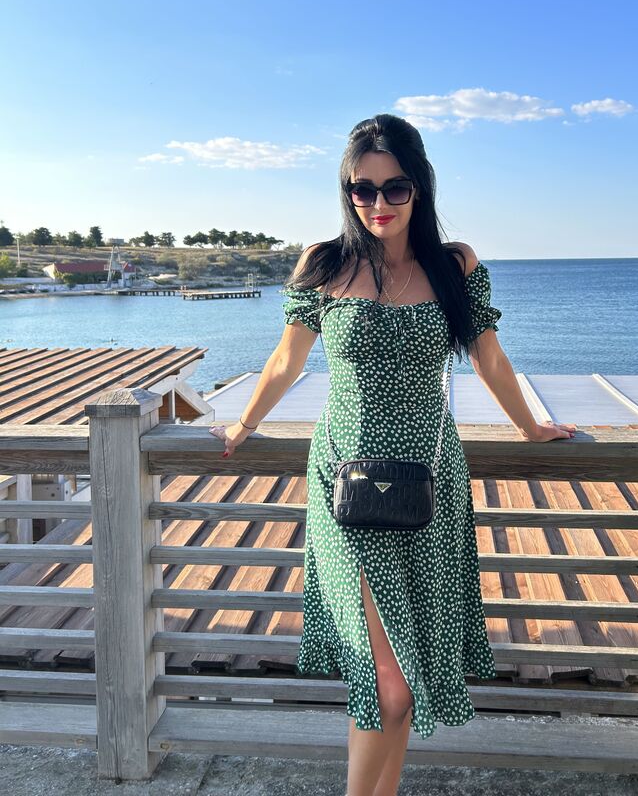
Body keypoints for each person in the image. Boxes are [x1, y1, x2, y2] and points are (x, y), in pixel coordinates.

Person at [210, 114, 576, 796]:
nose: (378, 204)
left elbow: (489, 358)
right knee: (388, 679)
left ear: (420, 188)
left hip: (429, 482)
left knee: (404, 671)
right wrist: (244, 424)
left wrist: (530, 427)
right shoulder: (324, 263)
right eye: (362, 189)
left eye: (395, 188)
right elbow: (286, 360)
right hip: (346, 483)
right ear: (346, 191)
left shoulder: (455, 265)